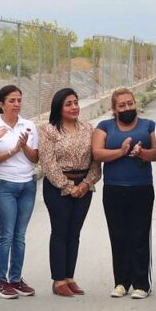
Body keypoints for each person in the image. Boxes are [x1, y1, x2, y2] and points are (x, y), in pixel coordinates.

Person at [93, 88, 156, 299]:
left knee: (140, 235)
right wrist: (120, 152)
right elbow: (97, 152)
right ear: (114, 109)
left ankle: (142, 284)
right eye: (121, 105)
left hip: (141, 188)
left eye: (130, 103)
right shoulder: (104, 127)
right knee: (118, 235)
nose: (127, 108)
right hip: (114, 189)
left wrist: (142, 153)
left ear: (135, 103)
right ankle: (121, 282)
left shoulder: (148, 125)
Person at [39, 88, 101, 297]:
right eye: (69, 104)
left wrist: (85, 184)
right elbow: (47, 163)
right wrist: (67, 187)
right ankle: (58, 280)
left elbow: (95, 160)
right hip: (58, 188)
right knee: (60, 232)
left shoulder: (88, 129)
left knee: (75, 232)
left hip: (84, 186)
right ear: (59, 107)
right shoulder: (48, 131)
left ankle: (69, 277)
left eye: (76, 102)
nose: (74, 107)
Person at [0, 85, 39, 299]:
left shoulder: (29, 125)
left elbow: (35, 158)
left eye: (19, 100)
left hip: (27, 185)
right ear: (0, 104)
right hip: (3, 185)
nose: (16, 104)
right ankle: (1, 281)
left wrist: (24, 147)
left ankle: (16, 278)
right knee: (6, 234)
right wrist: (13, 150)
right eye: (11, 101)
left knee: (20, 235)